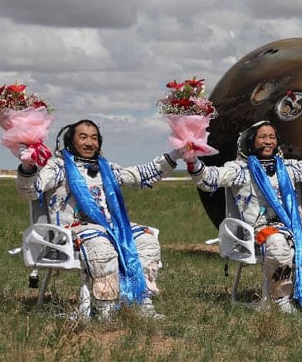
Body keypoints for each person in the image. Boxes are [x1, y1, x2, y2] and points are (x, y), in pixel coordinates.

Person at [184, 120, 302, 314]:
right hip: (258, 230)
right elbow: (210, 178)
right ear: (250, 141)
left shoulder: (287, 167)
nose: (268, 141)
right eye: (262, 137)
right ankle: (280, 298)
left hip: (293, 224)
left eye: (272, 137)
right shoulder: (239, 170)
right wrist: (193, 161)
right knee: (277, 242)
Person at [16, 119, 180, 319]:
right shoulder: (58, 167)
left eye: (94, 138)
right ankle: (106, 308)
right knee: (100, 244)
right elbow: (32, 191)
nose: (89, 143)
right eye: (82, 137)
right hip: (70, 232)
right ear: (70, 141)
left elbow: (139, 175)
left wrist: (177, 153)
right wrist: (28, 167)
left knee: (146, 238)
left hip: (109, 228)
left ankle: (142, 299)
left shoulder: (105, 167)